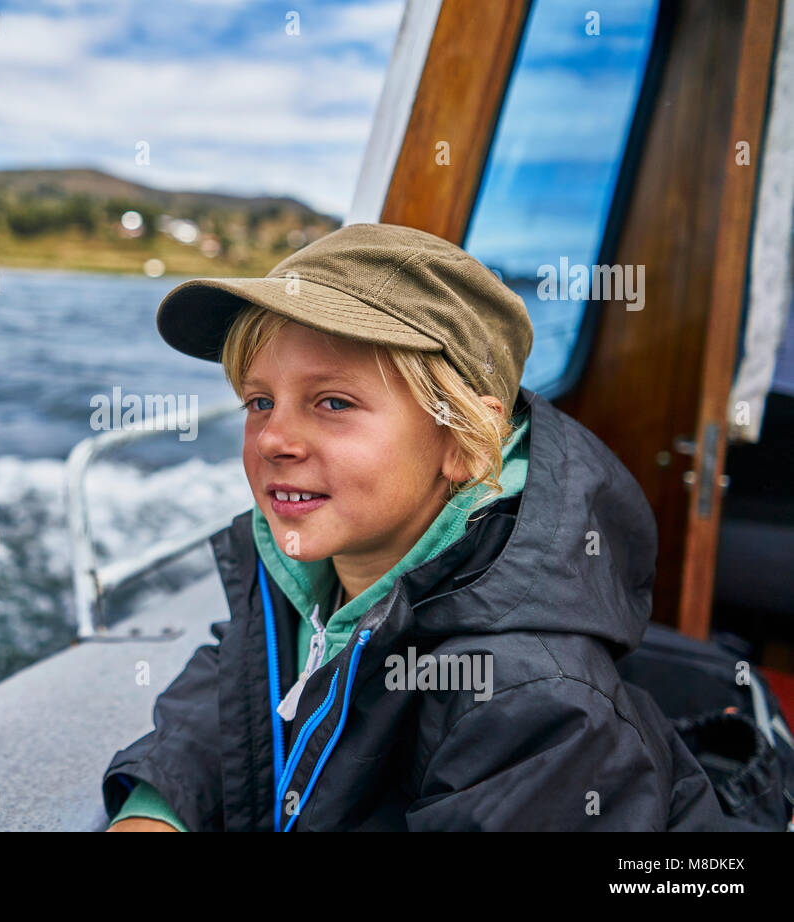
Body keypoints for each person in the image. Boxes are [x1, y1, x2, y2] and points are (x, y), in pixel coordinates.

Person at [102, 222, 729, 831]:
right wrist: (156, 811)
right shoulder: (305, 579)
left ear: (463, 444)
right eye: (260, 401)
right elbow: (245, 675)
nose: (274, 438)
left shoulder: (529, 698)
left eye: (333, 403)